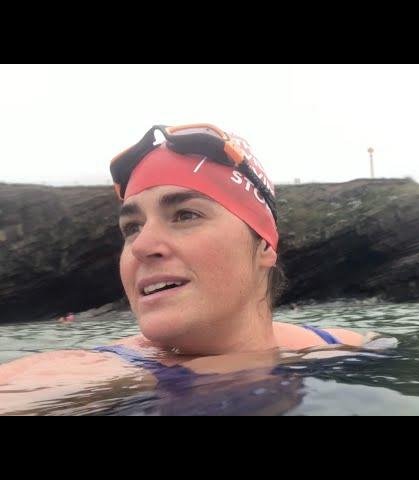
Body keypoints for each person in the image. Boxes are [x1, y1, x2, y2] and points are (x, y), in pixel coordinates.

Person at [0, 122, 368, 413]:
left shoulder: (344, 345)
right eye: (131, 228)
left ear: (264, 246)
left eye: (185, 214)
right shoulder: (91, 375)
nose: (141, 245)